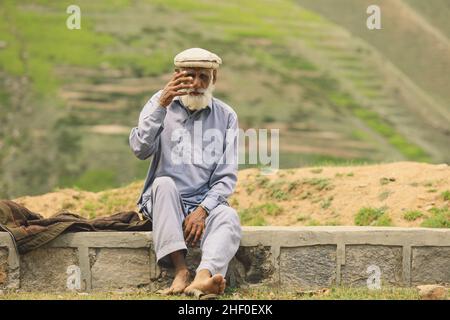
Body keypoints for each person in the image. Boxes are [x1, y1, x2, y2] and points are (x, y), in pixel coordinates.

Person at [129, 48, 242, 296]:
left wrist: (202, 210)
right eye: (190, 75)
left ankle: (203, 277)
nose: (196, 83)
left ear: (215, 79)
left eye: (204, 77)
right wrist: (161, 105)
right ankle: (181, 271)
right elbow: (140, 149)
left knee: (229, 217)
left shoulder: (226, 116)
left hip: (202, 204)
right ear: (177, 75)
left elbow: (226, 177)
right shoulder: (158, 103)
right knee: (164, 183)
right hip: (163, 201)